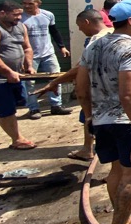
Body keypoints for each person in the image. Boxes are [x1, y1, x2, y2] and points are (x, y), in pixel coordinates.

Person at [76, 0, 131, 224]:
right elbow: (127, 93)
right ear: (130, 21)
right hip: (127, 122)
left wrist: (90, 117)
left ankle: (120, 221)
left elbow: (81, 88)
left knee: (116, 171)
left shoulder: (93, 46)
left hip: (102, 121)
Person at [33, 9, 113, 161]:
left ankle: (91, 151)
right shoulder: (112, 32)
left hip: (98, 90)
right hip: (108, 88)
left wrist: (55, 81)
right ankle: (88, 148)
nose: (79, 29)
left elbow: (80, 67)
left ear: (86, 22)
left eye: (79, 25)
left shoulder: (97, 40)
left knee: (90, 118)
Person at [0, 1, 37, 150]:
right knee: (6, 109)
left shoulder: (20, 27)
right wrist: (7, 72)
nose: (19, 17)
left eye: (20, 14)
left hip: (16, 76)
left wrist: (29, 65)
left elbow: (27, 48)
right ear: (2, 13)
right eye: (15, 14)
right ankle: (17, 139)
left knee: (6, 107)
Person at [20, 0, 71, 119]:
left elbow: (54, 31)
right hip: (30, 56)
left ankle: (56, 105)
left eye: (30, 4)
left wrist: (62, 47)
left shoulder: (47, 15)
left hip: (48, 53)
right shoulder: (20, 18)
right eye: (24, 3)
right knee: (29, 82)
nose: (27, 6)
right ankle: (33, 109)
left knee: (55, 78)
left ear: (38, 3)